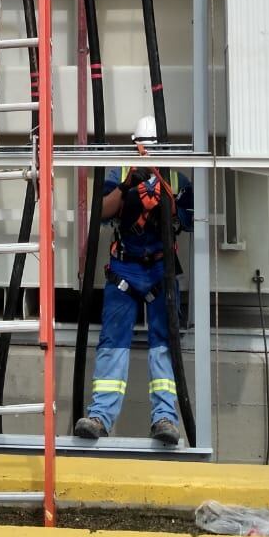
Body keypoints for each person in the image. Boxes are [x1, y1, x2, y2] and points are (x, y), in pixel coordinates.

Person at [74, 116, 193, 446]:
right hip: (124, 270)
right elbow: (101, 211)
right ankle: (100, 416)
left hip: (160, 271)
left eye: (152, 149)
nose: (147, 154)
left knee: (164, 345)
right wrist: (128, 187)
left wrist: (168, 195)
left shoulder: (175, 177)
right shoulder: (120, 173)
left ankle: (165, 418)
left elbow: (191, 218)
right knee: (113, 342)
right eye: (143, 147)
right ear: (134, 146)